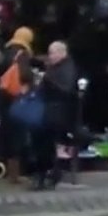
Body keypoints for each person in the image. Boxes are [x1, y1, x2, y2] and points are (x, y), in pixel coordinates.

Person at [31, 41, 78, 190]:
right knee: (44, 144)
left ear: (61, 53)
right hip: (48, 111)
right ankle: (46, 174)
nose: (50, 56)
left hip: (57, 113)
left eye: (52, 53)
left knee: (47, 144)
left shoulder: (67, 68)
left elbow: (66, 89)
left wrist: (47, 80)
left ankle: (46, 174)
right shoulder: (55, 67)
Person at [0, 26, 35, 184]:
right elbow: (24, 75)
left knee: (0, 134)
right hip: (16, 99)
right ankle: (14, 176)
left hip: (2, 97)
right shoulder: (22, 54)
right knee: (16, 136)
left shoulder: (6, 52)